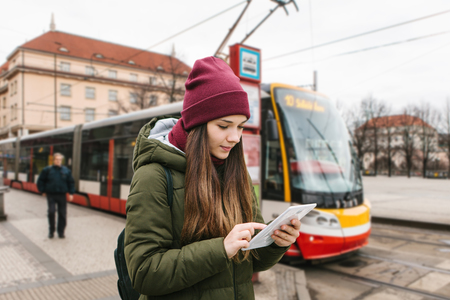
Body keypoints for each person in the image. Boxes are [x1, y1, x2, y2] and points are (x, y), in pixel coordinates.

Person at [124, 56, 301, 300]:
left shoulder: (237, 172)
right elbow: (144, 273)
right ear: (197, 123)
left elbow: (250, 261)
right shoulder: (153, 176)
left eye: (240, 126)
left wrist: (277, 243)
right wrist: (220, 249)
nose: (235, 138)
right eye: (224, 125)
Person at [37, 153, 74, 239]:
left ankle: (61, 232)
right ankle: (51, 231)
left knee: (62, 214)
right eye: (56, 159)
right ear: (53, 160)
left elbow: (71, 182)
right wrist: (42, 191)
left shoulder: (66, 171)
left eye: (60, 160)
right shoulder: (47, 170)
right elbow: (41, 181)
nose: (58, 161)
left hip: (62, 195)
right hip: (51, 195)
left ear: (61, 160)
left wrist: (71, 193)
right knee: (51, 212)